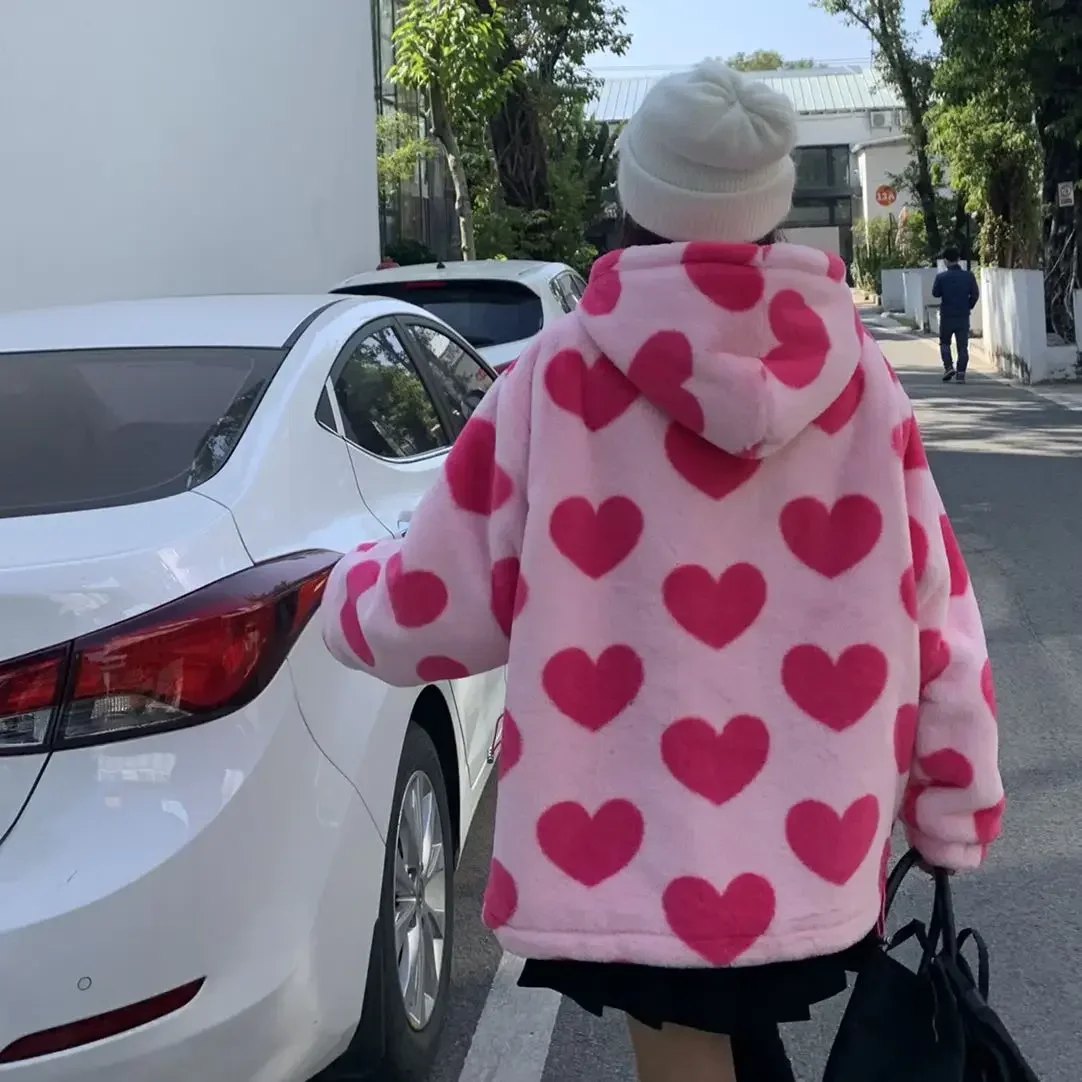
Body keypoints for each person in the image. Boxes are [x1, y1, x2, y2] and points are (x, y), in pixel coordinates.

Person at [322, 58, 1004, 1082]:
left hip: (626, 848)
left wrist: (336, 599)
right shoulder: (860, 384)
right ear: (772, 211)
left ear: (633, 199)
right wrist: (953, 796)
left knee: (685, 1047)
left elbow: (439, 599)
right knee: (733, 1037)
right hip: (812, 834)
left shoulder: (554, 377)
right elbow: (934, 611)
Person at [932, 246, 980, 383]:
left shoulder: (941, 277)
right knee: (962, 346)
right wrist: (968, 305)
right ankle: (961, 373)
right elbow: (975, 294)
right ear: (958, 259)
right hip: (963, 315)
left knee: (945, 343)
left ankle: (948, 367)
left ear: (946, 261)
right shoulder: (968, 276)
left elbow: (935, 293)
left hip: (947, 315)